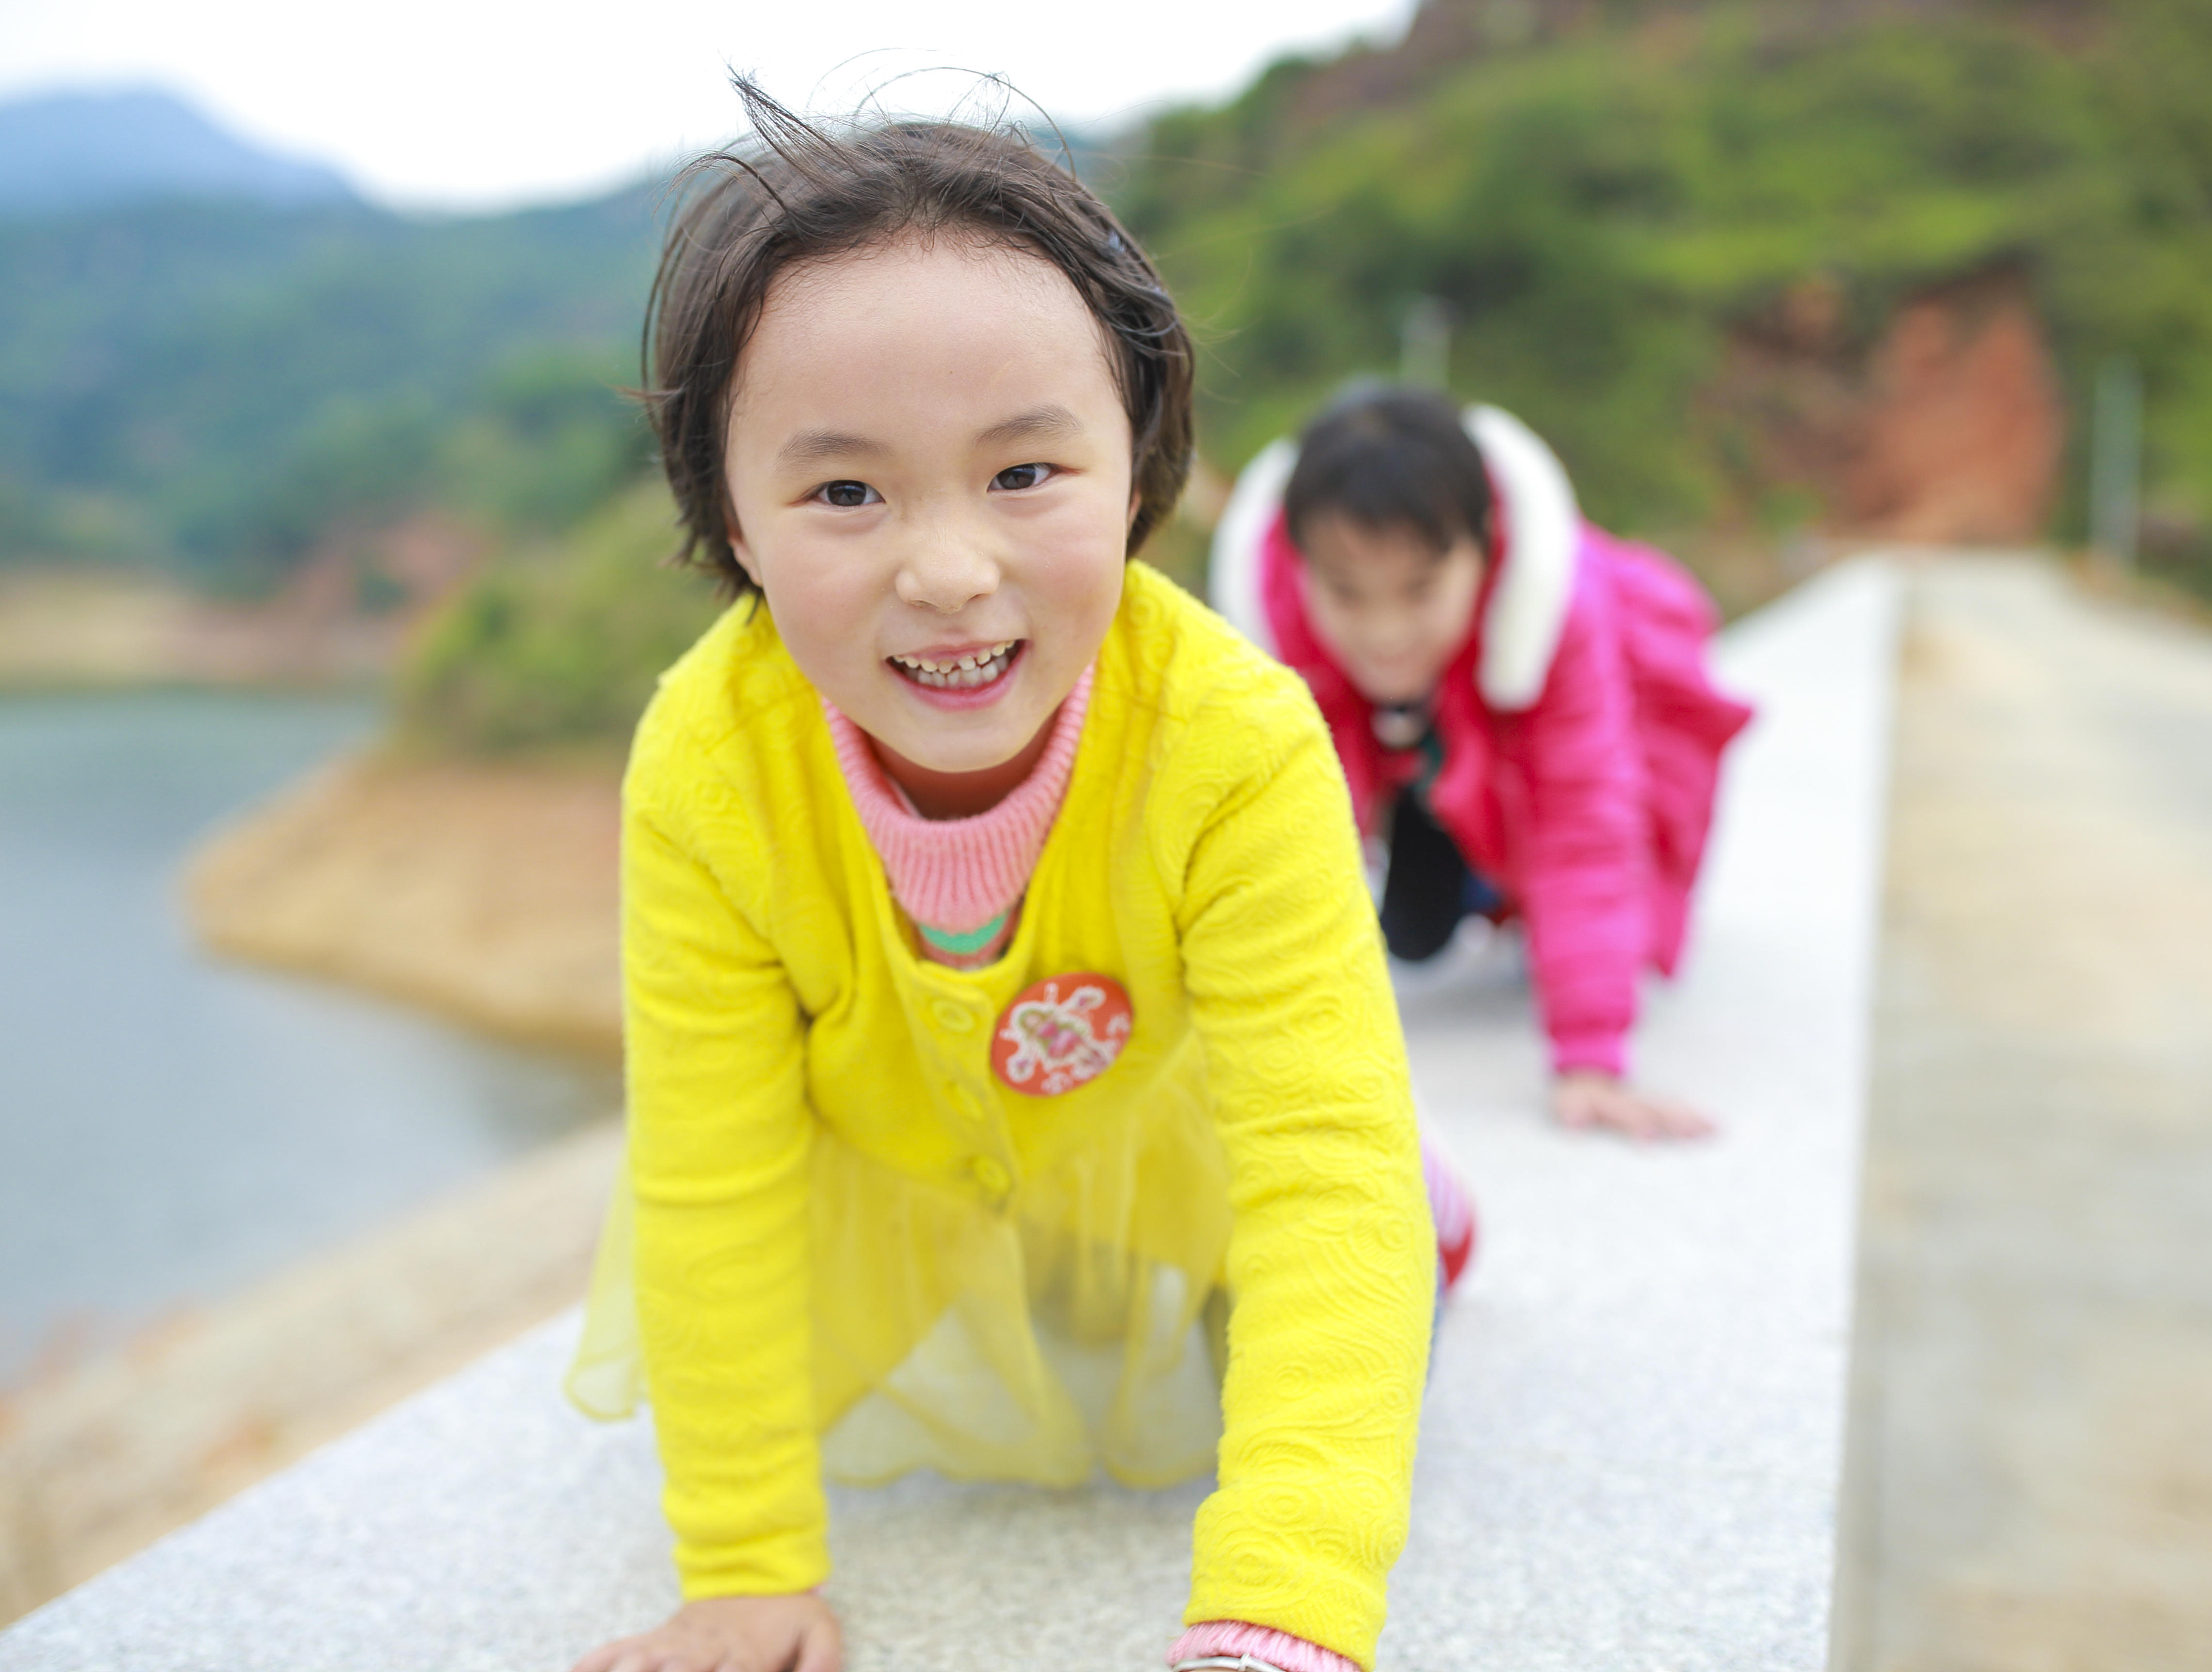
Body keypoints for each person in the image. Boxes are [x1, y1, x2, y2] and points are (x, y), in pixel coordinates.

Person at [563, 89, 1468, 1672]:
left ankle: (1442, 1196)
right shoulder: (706, 765)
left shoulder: (1237, 740)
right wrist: (746, 1561)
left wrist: (1286, 1604)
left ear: (1140, 467)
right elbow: (707, 1173)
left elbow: (1320, 1171)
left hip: (1159, 1126)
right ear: (730, 517)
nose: (949, 570)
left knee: (1355, 1210)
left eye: (1025, 472)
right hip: (894, 1155)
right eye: (844, 491)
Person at [1210, 387, 1753, 1142]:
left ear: (1487, 544)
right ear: (1299, 564)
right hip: (1419, 746)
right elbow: (1274, 842)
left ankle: (1516, 896)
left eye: (1420, 589)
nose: (1384, 632)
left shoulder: (1559, 608)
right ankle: (1470, 862)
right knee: (1412, 935)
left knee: (1580, 901)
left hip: (1561, 726)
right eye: (1346, 594)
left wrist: (1590, 1055)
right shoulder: (1276, 621)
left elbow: (1584, 824)